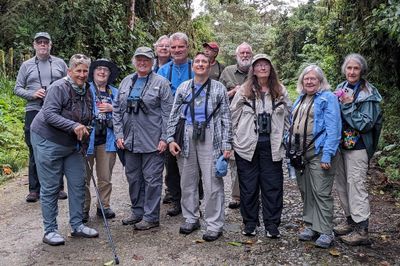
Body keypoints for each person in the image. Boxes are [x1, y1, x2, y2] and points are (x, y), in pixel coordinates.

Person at [30, 54, 99, 246]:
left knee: (78, 182)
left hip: (72, 145)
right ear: (70, 71)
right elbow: (49, 113)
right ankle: (50, 230)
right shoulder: (58, 87)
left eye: (85, 70)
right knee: (51, 186)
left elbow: (88, 117)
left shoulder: (87, 89)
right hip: (47, 140)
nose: (82, 74)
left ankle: (77, 225)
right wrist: (73, 125)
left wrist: (84, 135)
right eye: (78, 70)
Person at [166, 52, 232, 241]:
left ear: (209, 65)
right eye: (197, 61)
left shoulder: (218, 88)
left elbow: (227, 117)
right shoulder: (184, 87)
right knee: (187, 179)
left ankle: (214, 224)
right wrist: (170, 139)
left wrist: (227, 144)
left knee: (212, 181)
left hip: (212, 134)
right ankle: (190, 217)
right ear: (192, 65)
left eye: (204, 61)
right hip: (186, 134)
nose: (201, 64)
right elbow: (173, 115)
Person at [230, 54, 290, 238]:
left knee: (272, 185)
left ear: (271, 69)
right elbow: (233, 116)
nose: (262, 68)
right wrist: (231, 141)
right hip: (247, 145)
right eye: (259, 65)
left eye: (266, 65)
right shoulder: (244, 91)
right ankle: (250, 223)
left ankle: (272, 224)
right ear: (253, 70)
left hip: (271, 145)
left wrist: (286, 141)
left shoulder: (280, 90)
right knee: (248, 186)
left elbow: (288, 118)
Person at [114, 47, 173, 230]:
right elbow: (116, 109)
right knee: (133, 178)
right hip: (129, 141)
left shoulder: (161, 83)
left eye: (146, 59)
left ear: (152, 62)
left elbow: (168, 113)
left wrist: (165, 137)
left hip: (153, 141)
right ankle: (137, 211)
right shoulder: (126, 81)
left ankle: (151, 216)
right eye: (139, 59)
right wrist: (118, 134)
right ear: (134, 61)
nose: (142, 62)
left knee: (152, 179)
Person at [290, 64, 341, 248]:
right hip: (301, 153)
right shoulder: (300, 99)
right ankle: (311, 226)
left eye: (313, 78)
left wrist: (328, 154)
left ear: (320, 81)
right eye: (306, 78)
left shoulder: (328, 98)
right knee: (306, 190)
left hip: (320, 152)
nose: (309, 81)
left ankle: (326, 231)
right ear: (302, 82)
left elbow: (333, 128)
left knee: (321, 191)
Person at [334, 54, 383, 246]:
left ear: (362, 71)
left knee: (356, 185)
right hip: (340, 145)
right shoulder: (340, 88)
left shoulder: (369, 93)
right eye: (349, 68)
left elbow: (366, 124)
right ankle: (350, 221)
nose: (352, 72)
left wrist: (347, 105)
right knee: (341, 184)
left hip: (359, 146)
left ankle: (362, 229)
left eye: (356, 68)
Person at [14, 32, 68, 202]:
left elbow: (69, 83)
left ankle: (58, 187)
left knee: (56, 146)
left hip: (56, 110)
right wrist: (32, 94)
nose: (43, 45)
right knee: (34, 148)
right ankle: (34, 189)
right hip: (34, 109)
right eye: (40, 42)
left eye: (46, 42)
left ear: (51, 45)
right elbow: (17, 88)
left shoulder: (60, 63)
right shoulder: (26, 65)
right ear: (34, 45)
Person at [157, 32, 195, 216]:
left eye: (181, 47)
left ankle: (194, 202)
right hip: (170, 122)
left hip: (193, 121)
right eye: (174, 47)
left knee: (193, 164)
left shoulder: (195, 66)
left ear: (187, 48)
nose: (177, 50)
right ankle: (176, 200)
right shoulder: (163, 71)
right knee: (171, 164)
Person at [83, 59, 120, 223]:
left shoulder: (115, 92)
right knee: (83, 176)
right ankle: (83, 208)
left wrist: (113, 109)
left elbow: (124, 112)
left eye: (105, 70)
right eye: (99, 69)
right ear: (93, 72)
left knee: (105, 176)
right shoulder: (85, 89)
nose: (102, 72)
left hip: (108, 138)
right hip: (87, 138)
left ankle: (103, 206)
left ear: (109, 74)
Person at [219, 42, 253, 209]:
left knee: (253, 158)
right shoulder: (227, 72)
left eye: (248, 53)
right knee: (234, 160)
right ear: (236, 55)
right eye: (242, 53)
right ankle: (236, 196)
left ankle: (253, 195)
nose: (245, 55)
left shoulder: (258, 70)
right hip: (233, 121)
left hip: (253, 122)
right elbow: (218, 96)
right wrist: (234, 91)